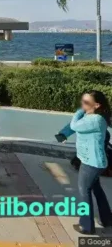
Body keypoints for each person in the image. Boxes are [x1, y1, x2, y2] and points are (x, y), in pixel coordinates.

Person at [58, 91, 112, 234]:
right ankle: (107, 219)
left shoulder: (95, 119)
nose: (82, 105)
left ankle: (86, 226)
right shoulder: (91, 117)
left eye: (86, 102)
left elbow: (75, 125)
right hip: (93, 161)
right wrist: (63, 134)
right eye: (82, 101)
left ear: (97, 105)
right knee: (96, 189)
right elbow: (75, 125)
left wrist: (79, 111)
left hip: (91, 163)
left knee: (84, 191)